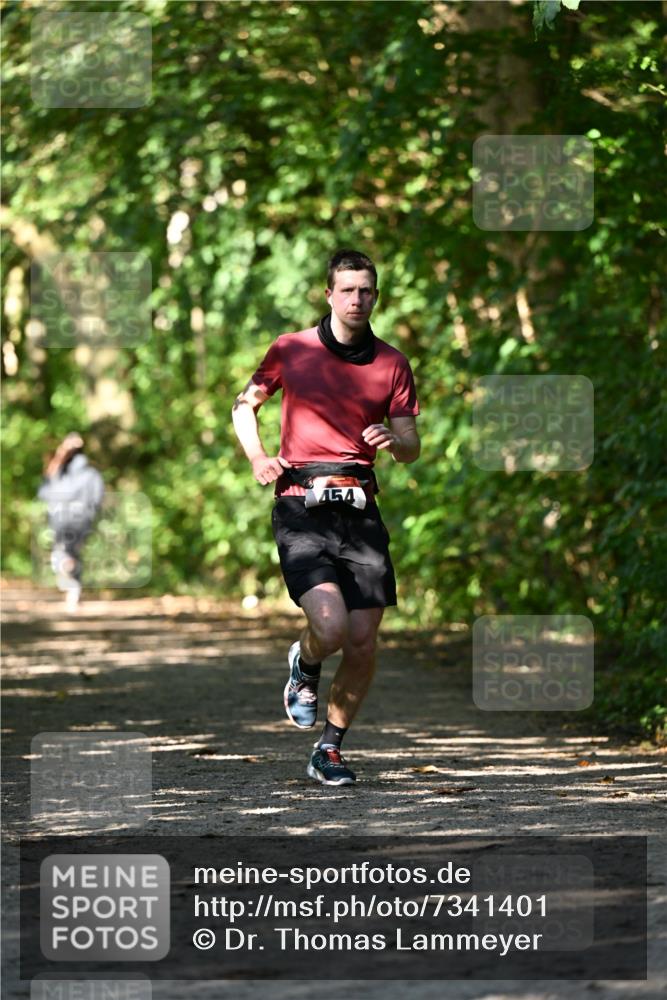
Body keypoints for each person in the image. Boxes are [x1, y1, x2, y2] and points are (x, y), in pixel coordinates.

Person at [232, 249, 420, 787]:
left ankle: (329, 749)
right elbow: (245, 405)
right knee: (332, 627)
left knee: (363, 639)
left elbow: (411, 444)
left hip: (360, 507)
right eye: (348, 290)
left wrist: (397, 441)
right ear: (329, 294)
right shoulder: (292, 349)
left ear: (375, 297)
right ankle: (306, 661)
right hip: (300, 503)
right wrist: (257, 456)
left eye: (367, 291)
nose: (358, 299)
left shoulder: (392, 363)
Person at [37, 432, 105, 611]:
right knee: (73, 553)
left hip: (60, 521)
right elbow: (98, 498)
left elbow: (45, 490)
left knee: (63, 554)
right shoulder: (92, 474)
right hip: (83, 521)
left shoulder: (60, 472)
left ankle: (71, 585)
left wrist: (61, 453)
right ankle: (73, 592)